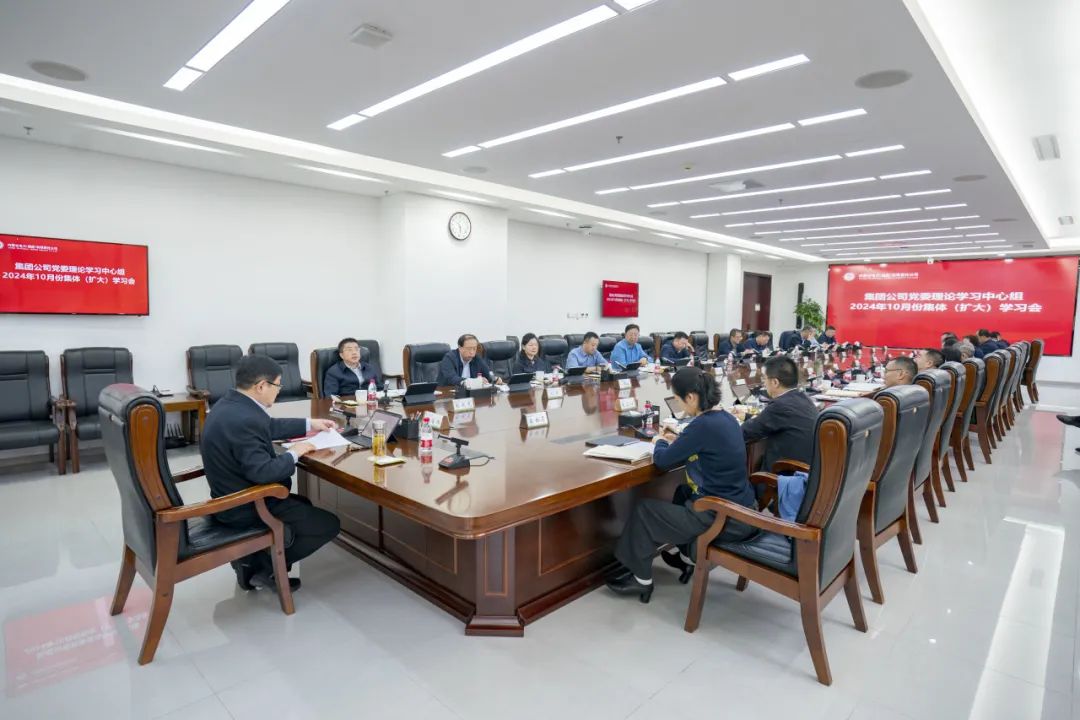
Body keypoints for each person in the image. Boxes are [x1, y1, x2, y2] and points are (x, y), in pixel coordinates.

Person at [606, 368, 756, 601]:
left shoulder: (702, 426)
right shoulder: (726, 418)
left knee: (644, 510)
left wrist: (659, 441)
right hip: (742, 507)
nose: (679, 406)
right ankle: (685, 559)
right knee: (682, 491)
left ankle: (641, 580)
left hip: (721, 516)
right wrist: (680, 441)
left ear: (692, 397)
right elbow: (706, 446)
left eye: (678, 399)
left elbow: (663, 461)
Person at [202, 355, 341, 591]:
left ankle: (255, 562)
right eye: (277, 385)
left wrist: (310, 423)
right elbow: (263, 472)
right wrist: (294, 453)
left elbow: (267, 426)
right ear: (261, 386)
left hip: (228, 496)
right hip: (245, 506)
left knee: (304, 504)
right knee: (328, 524)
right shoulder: (244, 419)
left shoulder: (230, 405)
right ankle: (260, 567)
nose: (279, 390)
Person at [739, 356, 817, 471]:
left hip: (783, 476)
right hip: (806, 471)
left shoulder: (780, 406)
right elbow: (770, 421)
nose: (763, 383)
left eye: (764, 378)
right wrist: (746, 416)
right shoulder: (803, 398)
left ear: (775, 382)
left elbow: (744, 432)